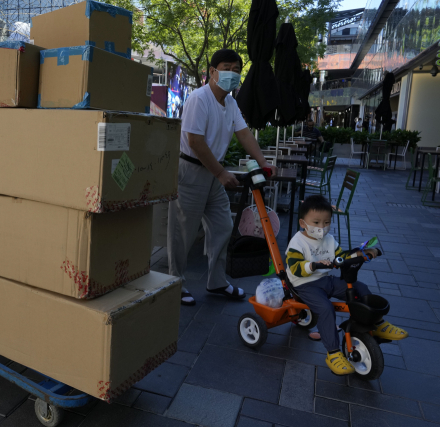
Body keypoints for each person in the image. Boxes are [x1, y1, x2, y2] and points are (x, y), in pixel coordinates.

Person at [168, 48, 277, 306]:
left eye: (238, 70)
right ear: (212, 71)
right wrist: (220, 172)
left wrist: (264, 163)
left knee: (223, 227)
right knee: (182, 233)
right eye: (227, 68)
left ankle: (216, 281)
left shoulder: (231, 103)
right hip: (192, 172)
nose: (233, 74)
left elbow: (244, 134)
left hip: (213, 175)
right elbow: (195, 141)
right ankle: (174, 283)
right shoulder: (199, 98)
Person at [286, 195, 408, 375]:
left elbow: (341, 256)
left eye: (326, 222)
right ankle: (333, 353)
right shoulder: (297, 242)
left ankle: (378, 323)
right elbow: (295, 268)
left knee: (360, 288)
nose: (322, 227)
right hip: (304, 284)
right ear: (303, 223)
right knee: (326, 309)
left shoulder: (328, 239)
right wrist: (314, 264)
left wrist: (363, 253)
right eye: (317, 222)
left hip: (325, 280)